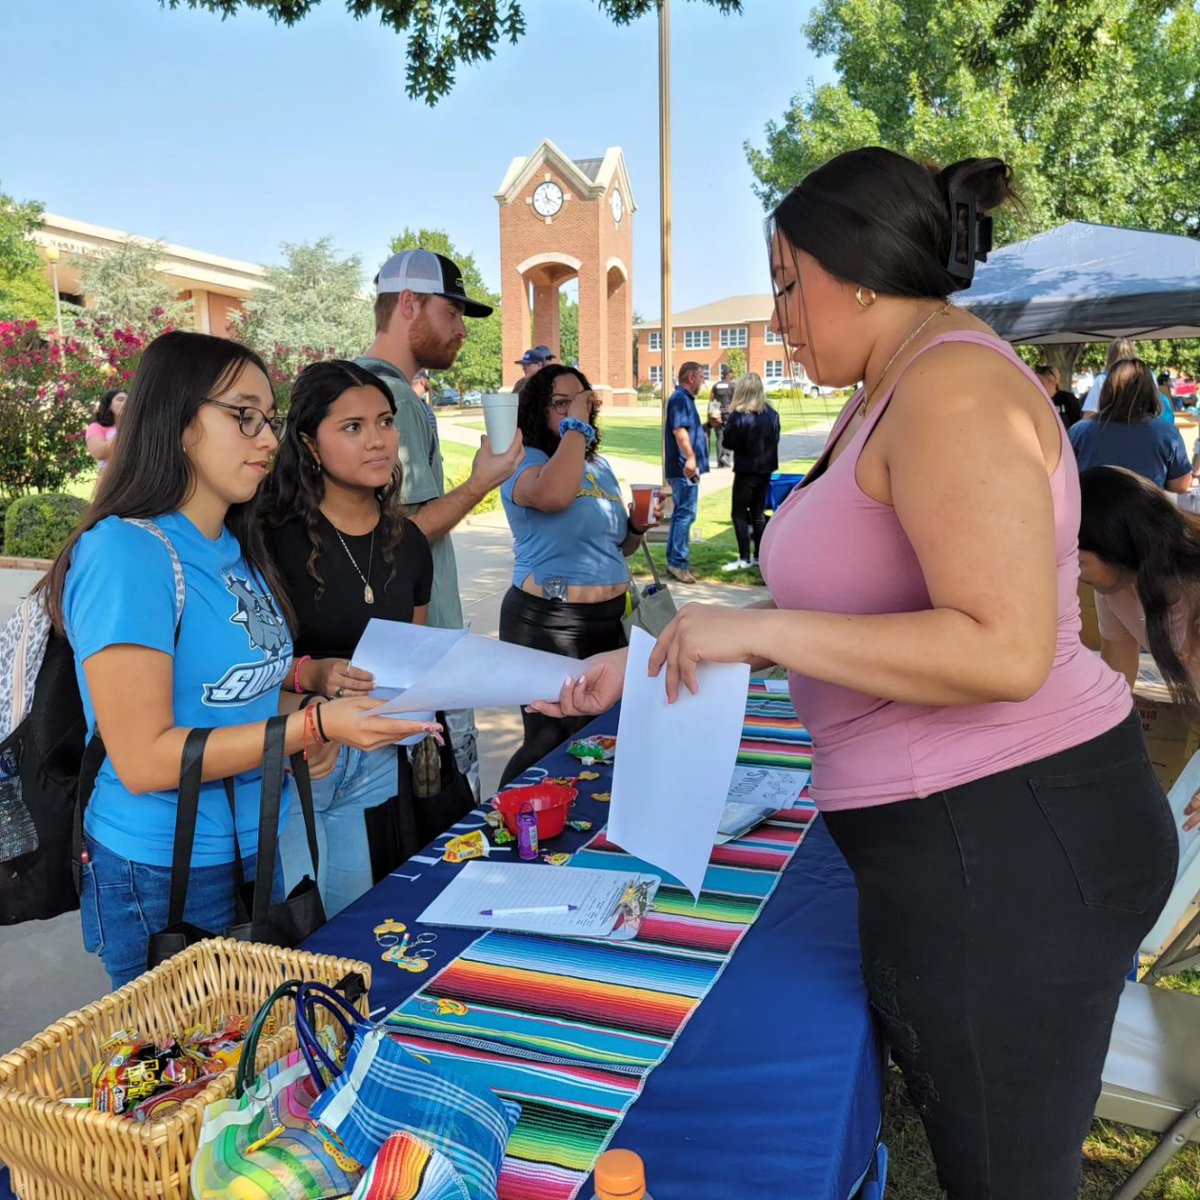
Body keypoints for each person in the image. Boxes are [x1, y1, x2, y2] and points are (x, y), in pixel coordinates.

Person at [531, 147, 1176, 1199]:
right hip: (976, 831)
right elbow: (866, 597)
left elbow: (1001, 647)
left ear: (860, 268)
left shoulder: (955, 385)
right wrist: (682, 648)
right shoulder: (899, 377)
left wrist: (764, 636)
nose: (778, 313)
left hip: (1010, 837)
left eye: (788, 282)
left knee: (1009, 1176)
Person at [42, 331, 435, 988]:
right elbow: (143, 759)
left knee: (261, 1060)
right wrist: (315, 728)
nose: (267, 439)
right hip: (162, 868)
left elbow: (238, 698)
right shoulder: (126, 554)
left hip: (258, 849)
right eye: (242, 416)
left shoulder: (232, 546)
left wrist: (318, 707)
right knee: (186, 1078)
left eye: (270, 420)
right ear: (178, 422)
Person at [260, 360, 434, 918]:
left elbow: (414, 658)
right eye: (353, 427)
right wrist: (308, 677)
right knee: (294, 933)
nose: (378, 441)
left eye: (384, 422)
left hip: (374, 756)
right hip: (295, 757)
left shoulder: (407, 542)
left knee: (348, 929)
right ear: (310, 444)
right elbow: (236, 666)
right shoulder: (268, 538)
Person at [358, 248, 524, 798]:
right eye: (451, 312)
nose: (461, 330)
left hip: (386, 649)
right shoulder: (394, 399)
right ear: (409, 303)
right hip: (419, 656)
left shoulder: (358, 388)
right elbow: (400, 537)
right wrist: (482, 482)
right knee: (443, 818)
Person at [496, 364, 649, 785]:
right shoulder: (524, 461)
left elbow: (619, 546)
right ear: (535, 410)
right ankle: (505, 815)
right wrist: (576, 428)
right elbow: (554, 495)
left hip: (610, 620)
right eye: (560, 404)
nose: (571, 412)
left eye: (580, 402)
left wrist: (636, 525)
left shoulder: (596, 465)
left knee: (603, 735)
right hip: (547, 622)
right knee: (550, 738)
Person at [1077, 465, 1200, 698]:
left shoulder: (1192, 586)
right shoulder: (1115, 590)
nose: (1073, 573)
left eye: (1080, 560)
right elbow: (1118, 680)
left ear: (1113, 543)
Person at [1068, 358, 1192, 491]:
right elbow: (1181, 485)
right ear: (1150, 391)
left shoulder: (1079, 431)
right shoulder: (1166, 434)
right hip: (1145, 509)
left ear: (1107, 391)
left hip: (1089, 509)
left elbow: (1064, 478)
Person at [720, 372, 780, 571]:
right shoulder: (772, 414)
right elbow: (775, 440)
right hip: (765, 469)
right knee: (758, 513)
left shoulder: (739, 416)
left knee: (738, 513)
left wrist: (727, 425)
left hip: (746, 470)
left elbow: (728, 442)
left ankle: (745, 557)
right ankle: (758, 556)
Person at [663, 361, 710, 584]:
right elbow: (679, 431)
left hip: (685, 467)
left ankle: (674, 560)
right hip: (685, 468)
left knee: (682, 513)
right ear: (691, 377)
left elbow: (688, 430)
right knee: (686, 514)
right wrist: (691, 458)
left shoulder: (683, 399)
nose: (703, 381)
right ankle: (678, 563)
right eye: (701, 377)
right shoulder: (680, 399)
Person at [1083, 338, 1175, 424]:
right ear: (1133, 351)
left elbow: (1089, 415)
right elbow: (1156, 404)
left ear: (1110, 355)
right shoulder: (1148, 375)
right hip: (1146, 429)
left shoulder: (1102, 379)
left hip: (1112, 430)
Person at [84, 389, 126, 470]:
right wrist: (128, 430)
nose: (127, 403)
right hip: (111, 479)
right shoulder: (96, 427)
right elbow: (100, 453)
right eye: (120, 399)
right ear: (109, 405)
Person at [1033, 364, 1082, 428]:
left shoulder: (1068, 399)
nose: (1037, 384)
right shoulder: (1034, 399)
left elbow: (1076, 423)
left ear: (1052, 381)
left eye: (1041, 382)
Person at [706, 364, 736, 467]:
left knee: (720, 436)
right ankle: (726, 456)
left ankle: (720, 462)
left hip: (717, 413)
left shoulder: (715, 386)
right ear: (728, 375)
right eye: (732, 374)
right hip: (729, 413)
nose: (733, 376)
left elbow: (711, 400)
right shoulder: (733, 386)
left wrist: (710, 416)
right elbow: (737, 400)